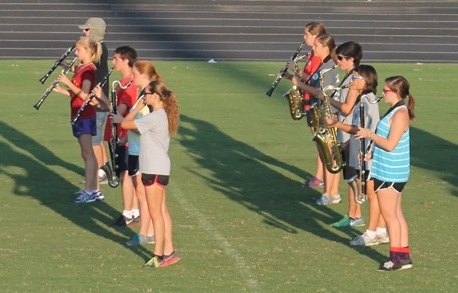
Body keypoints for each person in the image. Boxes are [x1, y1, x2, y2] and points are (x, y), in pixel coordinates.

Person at [325, 65, 389, 246]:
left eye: (356, 77)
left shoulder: (367, 101)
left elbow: (365, 130)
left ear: (366, 81)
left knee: (372, 194)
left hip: (367, 156)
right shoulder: (363, 99)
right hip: (360, 151)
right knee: (372, 194)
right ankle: (381, 231)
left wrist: (336, 125)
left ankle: (370, 233)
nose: (352, 80)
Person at [356, 75, 415, 271]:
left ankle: (395, 258)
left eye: (386, 90)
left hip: (390, 172)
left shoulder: (400, 114)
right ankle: (403, 256)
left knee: (390, 217)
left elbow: (390, 144)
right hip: (387, 169)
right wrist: (371, 156)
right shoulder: (396, 111)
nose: (383, 93)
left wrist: (369, 134)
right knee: (396, 215)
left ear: (396, 93)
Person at [121, 79, 181, 268]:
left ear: (155, 96)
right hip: (159, 168)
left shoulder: (154, 117)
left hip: (153, 169)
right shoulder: (161, 115)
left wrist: (137, 108)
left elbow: (124, 124)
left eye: (145, 94)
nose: (143, 97)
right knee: (162, 212)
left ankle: (159, 255)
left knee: (156, 213)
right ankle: (168, 252)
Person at [112, 60, 160, 245]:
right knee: (142, 195)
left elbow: (145, 127)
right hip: (134, 150)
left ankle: (146, 233)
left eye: (135, 75)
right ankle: (147, 232)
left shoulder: (149, 99)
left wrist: (122, 121)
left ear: (145, 77)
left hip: (143, 153)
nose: (131, 78)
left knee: (144, 196)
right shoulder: (142, 96)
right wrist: (125, 138)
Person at [289, 34, 340, 205]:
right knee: (330, 154)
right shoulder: (325, 66)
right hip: (325, 113)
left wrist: (298, 83)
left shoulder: (328, 68)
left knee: (330, 155)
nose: (313, 48)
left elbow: (321, 93)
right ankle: (331, 192)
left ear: (326, 48)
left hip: (329, 115)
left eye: (316, 45)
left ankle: (329, 193)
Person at [92, 46, 141, 227]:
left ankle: (128, 212)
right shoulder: (125, 83)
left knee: (125, 175)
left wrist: (102, 98)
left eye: (116, 59)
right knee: (129, 174)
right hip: (127, 134)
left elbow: (118, 112)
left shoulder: (128, 85)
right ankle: (133, 211)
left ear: (126, 60)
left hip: (125, 134)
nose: (113, 62)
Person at [53, 36, 103, 203]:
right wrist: (62, 90)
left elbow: (84, 95)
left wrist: (67, 82)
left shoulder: (89, 70)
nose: (75, 52)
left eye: (78, 50)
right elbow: (76, 92)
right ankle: (93, 189)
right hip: (78, 114)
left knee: (88, 153)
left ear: (88, 51)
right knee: (86, 153)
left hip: (85, 116)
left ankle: (91, 191)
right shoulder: (82, 67)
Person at [322, 41, 364, 222]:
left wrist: (328, 100)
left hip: (351, 133)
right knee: (350, 177)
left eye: (340, 58)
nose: (337, 62)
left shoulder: (356, 78)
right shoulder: (349, 77)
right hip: (344, 131)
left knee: (352, 177)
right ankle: (353, 215)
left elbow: (347, 109)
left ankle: (355, 216)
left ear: (351, 59)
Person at [284, 22, 327, 189]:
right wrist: (293, 72)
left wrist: (295, 78)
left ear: (316, 37)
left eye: (307, 35)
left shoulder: (317, 57)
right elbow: (307, 76)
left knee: (320, 141)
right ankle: (320, 176)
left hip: (315, 102)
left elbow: (312, 81)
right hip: (310, 99)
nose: (304, 38)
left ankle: (320, 177)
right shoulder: (312, 55)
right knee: (317, 140)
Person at [78, 17, 113, 186]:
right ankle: (106, 169)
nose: (83, 32)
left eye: (86, 30)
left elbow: (87, 67)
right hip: (98, 101)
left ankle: (101, 173)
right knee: (97, 140)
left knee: (94, 141)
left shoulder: (98, 49)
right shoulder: (99, 48)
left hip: (98, 101)